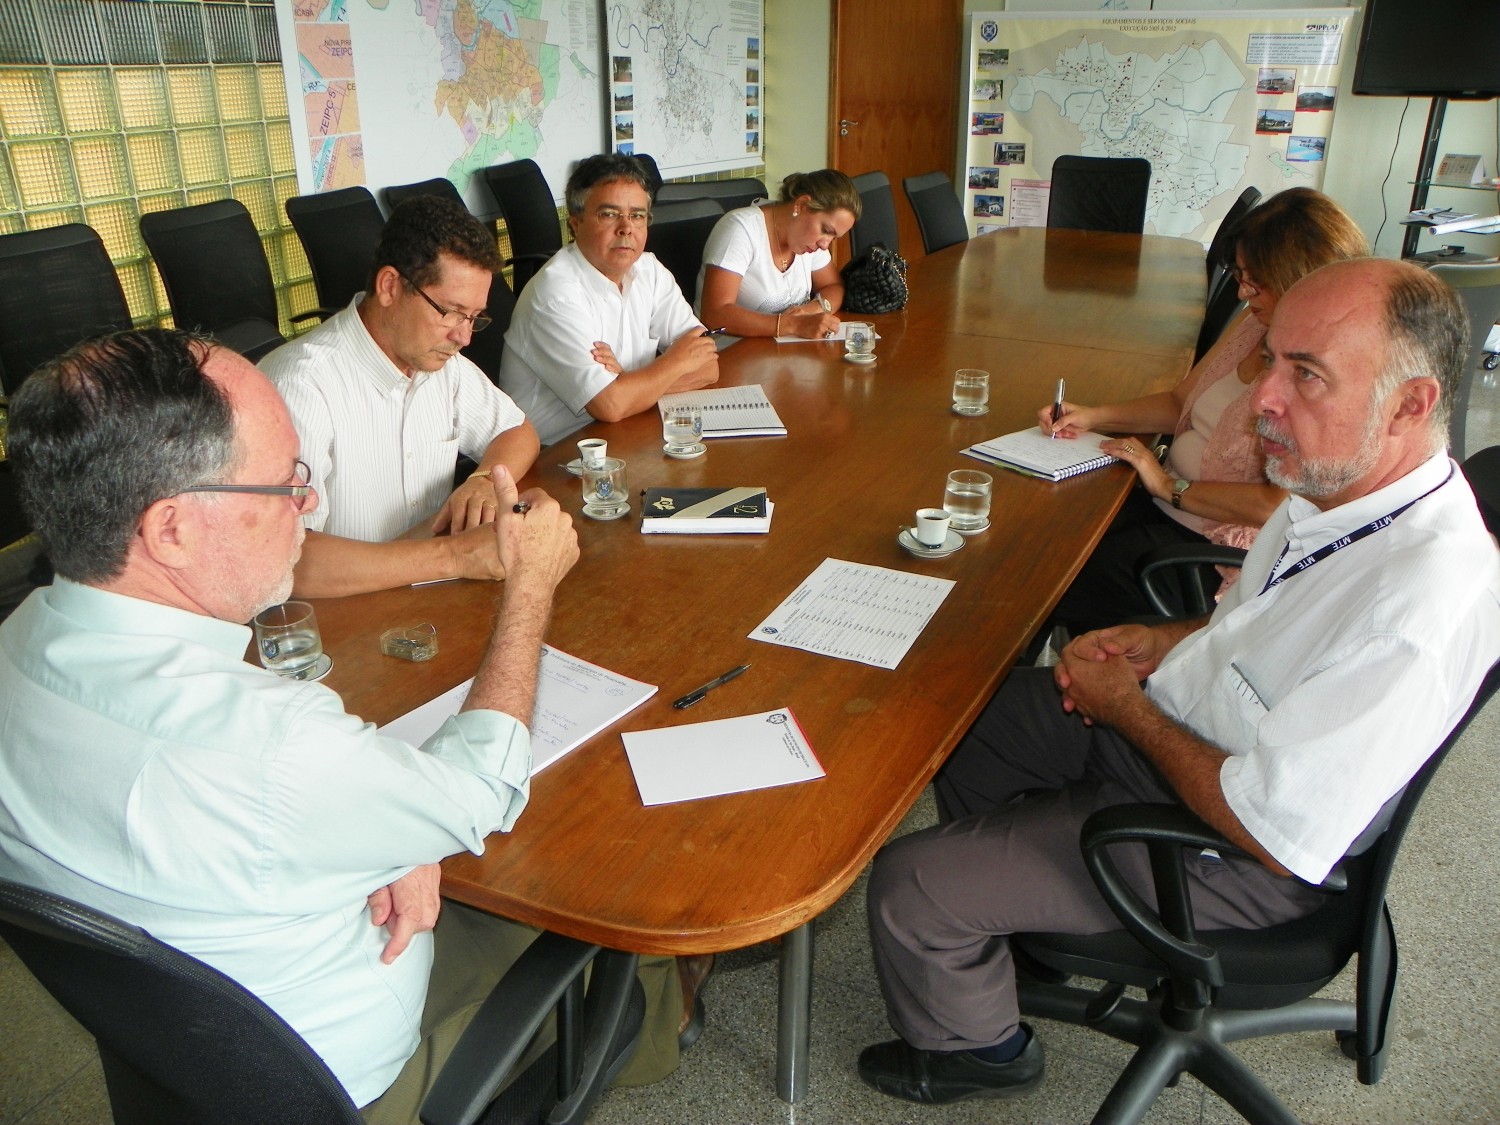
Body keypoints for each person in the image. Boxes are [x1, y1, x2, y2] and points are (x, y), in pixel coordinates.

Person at [0, 329, 688, 1122]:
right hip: (349, 1083)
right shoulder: (274, 747)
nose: (311, 502)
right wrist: (529, 585)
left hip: (181, 1050)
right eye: (285, 483)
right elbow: (478, 793)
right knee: (615, 881)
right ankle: (662, 1027)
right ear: (170, 530)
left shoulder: (20, 640)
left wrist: (387, 837)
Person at [858, 257, 1500, 1106]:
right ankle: (1008, 911)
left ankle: (980, 1046)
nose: (1266, 396)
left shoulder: (1418, 604)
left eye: (1306, 374)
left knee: (909, 884)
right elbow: (1258, 625)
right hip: (1192, 726)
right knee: (958, 717)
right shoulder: (1340, 490)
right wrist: (1164, 638)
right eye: (1272, 358)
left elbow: (1273, 831)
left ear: (1413, 404)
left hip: (1231, 849)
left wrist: (1126, 710)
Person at [1038, 187, 1368, 632]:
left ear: (1301, 280)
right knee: (1049, 526)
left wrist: (1170, 486)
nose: (1242, 290)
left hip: (1207, 550)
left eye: (1256, 279)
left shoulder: (1324, 380)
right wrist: (1093, 416)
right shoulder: (1254, 323)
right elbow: (1180, 404)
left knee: (1050, 572)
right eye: (1241, 273)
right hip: (1168, 506)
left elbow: (1282, 505)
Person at [260, 194, 541, 597]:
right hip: (343, 618)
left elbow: (518, 431)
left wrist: (482, 479)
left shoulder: (440, 363)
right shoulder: (300, 387)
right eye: (450, 312)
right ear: (390, 286)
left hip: (424, 598)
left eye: (474, 318)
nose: (463, 337)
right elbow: (289, 562)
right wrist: (454, 555)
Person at [498, 154, 720, 447]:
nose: (626, 228)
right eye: (609, 214)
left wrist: (628, 383)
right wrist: (676, 361)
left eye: (638, 215)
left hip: (625, 432)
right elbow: (610, 406)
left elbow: (708, 366)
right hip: (554, 456)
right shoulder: (555, 294)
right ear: (575, 223)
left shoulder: (649, 270)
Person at [695, 168, 860, 339]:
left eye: (833, 237)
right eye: (826, 230)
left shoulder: (809, 241)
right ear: (801, 205)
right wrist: (795, 325)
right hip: (725, 353)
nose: (825, 244)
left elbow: (834, 286)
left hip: (779, 352)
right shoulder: (740, 229)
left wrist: (814, 308)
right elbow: (714, 315)